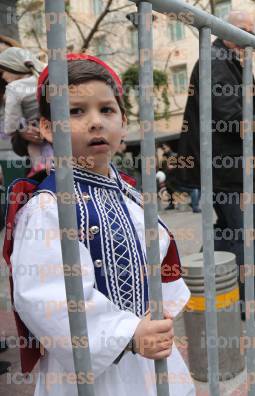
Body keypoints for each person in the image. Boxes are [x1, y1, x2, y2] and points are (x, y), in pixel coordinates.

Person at [4, 54, 194, 395]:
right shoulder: (49, 208)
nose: (95, 122)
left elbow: (160, 255)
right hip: (95, 366)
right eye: (76, 111)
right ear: (47, 127)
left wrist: (158, 315)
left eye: (107, 110)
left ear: (123, 121)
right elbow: (45, 296)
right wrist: (129, 335)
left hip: (150, 354)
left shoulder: (131, 195)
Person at [175, 10, 255, 321]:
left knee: (228, 234)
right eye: (241, 31)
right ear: (225, 31)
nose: (247, 39)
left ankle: (191, 288)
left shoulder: (231, 61)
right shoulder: (216, 60)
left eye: (251, 33)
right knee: (244, 236)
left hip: (229, 168)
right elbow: (228, 119)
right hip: (227, 170)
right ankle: (248, 304)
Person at [0, 47, 50, 176]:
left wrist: (14, 130)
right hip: (54, 133)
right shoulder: (49, 76)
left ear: (14, 67)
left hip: (36, 127)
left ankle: (39, 166)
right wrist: (21, 134)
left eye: (3, 72)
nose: (4, 77)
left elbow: (11, 119)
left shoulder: (14, 88)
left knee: (34, 145)